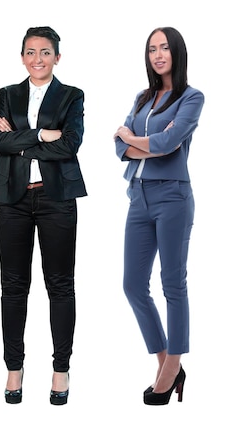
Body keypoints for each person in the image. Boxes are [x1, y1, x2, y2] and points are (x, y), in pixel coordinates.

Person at [0, 26, 86, 406]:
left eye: (45, 52)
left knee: (60, 285)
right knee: (13, 287)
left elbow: (71, 144)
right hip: (11, 199)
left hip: (56, 198)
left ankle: (61, 368)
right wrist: (42, 136)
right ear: (22, 56)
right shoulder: (7, 95)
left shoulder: (71, 95)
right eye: (30, 52)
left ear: (57, 57)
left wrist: (21, 140)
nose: (37, 59)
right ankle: (15, 367)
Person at [114, 27, 204, 406]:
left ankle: (172, 367)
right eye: (152, 49)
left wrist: (133, 138)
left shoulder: (191, 97)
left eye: (165, 47)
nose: (158, 54)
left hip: (173, 197)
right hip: (139, 196)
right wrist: (140, 143)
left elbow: (169, 143)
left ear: (177, 52)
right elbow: (119, 147)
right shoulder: (143, 97)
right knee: (133, 284)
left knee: (173, 284)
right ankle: (165, 357)